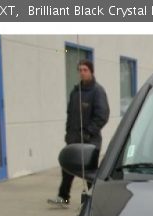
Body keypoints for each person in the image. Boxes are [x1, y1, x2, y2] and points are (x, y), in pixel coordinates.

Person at [47, 59, 109, 206]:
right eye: (80, 70)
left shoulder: (97, 91)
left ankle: (94, 201)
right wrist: (68, 133)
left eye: (85, 70)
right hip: (73, 139)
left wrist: (88, 133)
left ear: (91, 71)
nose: (82, 73)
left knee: (89, 173)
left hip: (90, 141)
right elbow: (70, 114)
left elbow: (102, 116)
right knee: (67, 170)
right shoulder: (76, 92)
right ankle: (63, 197)